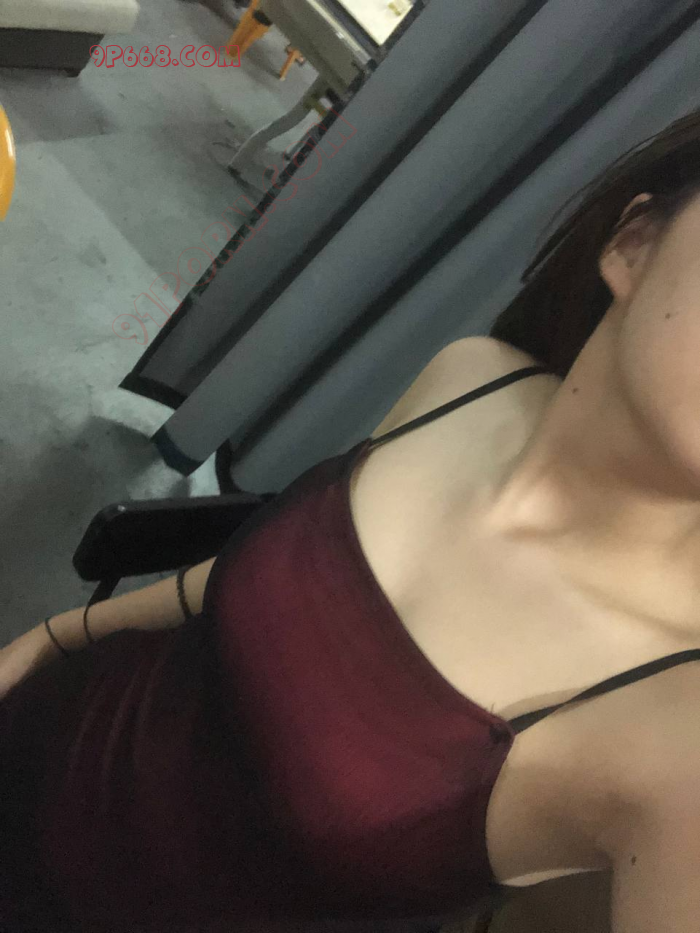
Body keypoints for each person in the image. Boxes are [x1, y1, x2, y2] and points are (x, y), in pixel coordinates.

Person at [2, 105, 700, 933]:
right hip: (42, 732)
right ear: (634, 244)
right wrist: (55, 638)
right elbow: (245, 585)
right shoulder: (472, 378)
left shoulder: (677, 732)